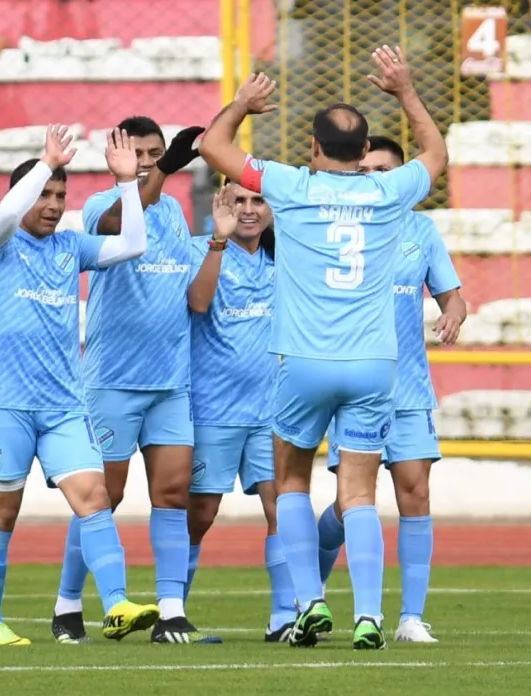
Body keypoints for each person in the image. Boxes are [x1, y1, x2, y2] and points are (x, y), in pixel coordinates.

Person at [198, 45, 449, 650]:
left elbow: (212, 146)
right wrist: (405, 92)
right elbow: (436, 154)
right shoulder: (388, 192)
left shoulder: (290, 185)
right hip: (373, 364)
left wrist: (243, 104)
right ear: (364, 154)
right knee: (358, 493)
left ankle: (309, 603)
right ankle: (370, 617)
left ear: (313, 147)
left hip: (303, 362)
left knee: (290, 483)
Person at [0, 125, 158, 646]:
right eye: (44, 194)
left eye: (60, 195)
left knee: (95, 497)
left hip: (63, 409)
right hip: (5, 405)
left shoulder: (70, 247)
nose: (53, 205)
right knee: (2, 514)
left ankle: (116, 604)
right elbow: (5, 216)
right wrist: (45, 164)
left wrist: (127, 184)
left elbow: (133, 244)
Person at [53, 116, 220, 644]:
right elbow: (120, 223)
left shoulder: (174, 213)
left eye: (154, 153)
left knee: (172, 494)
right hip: (113, 380)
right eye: (137, 152)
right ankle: (67, 605)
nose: (146, 161)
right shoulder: (101, 206)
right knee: (103, 496)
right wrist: (165, 168)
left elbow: (189, 293)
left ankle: (171, 611)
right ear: (115, 155)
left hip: (170, 381)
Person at [317, 134, 466, 644]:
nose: (375, 179)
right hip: (356, 386)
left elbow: (452, 295)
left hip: (408, 389)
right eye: (365, 170)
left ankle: (410, 618)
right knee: (349, 505)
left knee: (416, 494)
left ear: (404, 179)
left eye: (385, 170)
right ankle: (312, 589)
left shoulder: (421, 231)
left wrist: (453, 313)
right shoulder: (339, 229)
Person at [185, 182, 297, 642]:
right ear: (221, 205)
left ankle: (283, 617)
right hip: (213, 409)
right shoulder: (201, 249)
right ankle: (173, 610)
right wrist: (219, 238)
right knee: (201, 514)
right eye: (238, 202)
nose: (248, 211)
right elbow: (198, 302)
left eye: (258, 201)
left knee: (281, 507)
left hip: (272, 410)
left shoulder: (283, 259)